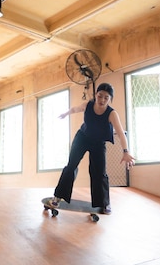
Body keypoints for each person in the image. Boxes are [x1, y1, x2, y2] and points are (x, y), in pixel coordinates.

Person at [47, 82, 135, 214]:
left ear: (110, 99)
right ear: (96, 95)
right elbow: (75, 109)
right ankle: (58, 196)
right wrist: (66, 113)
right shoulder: (88, 105)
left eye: (106, 97)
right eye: (100, 96)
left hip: (98, 143)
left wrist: (126, 151)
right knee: (71, 166)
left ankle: (104, 203)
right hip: (82, 138)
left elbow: (121, 134)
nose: (102, 100)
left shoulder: (112, 114)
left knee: (99, 173)